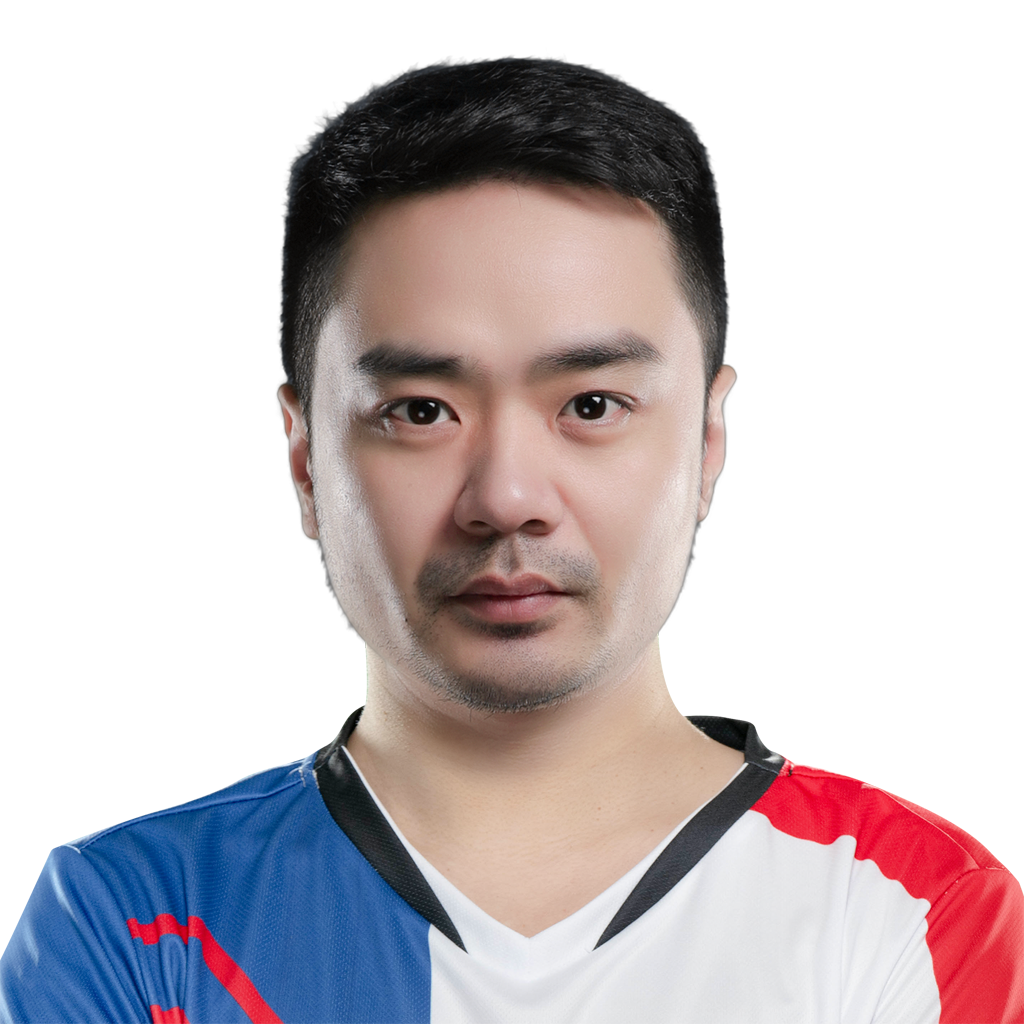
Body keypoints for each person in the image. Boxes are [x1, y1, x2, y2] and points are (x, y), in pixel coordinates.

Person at [2, 57, 1022, 1024]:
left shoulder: (920, 909)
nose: (506, 497)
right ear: (306, 459)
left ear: (708, 444)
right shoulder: (133, 918)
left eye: (592, 404)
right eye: (419, 411)